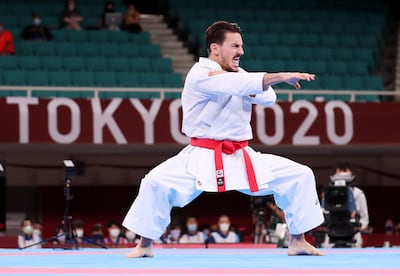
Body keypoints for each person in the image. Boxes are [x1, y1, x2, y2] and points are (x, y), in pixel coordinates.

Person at [122, 20, 324, 258]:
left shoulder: (238, 74)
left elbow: (268, 98)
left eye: (241, 46)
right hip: (201, 155)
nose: (241, 51)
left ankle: (298, 240)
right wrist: (279, 76)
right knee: (155, 182)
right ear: (215, 48)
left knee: (300, 175)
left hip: (241, 155)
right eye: (235, 46)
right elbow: (239, 85)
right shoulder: (199, 74)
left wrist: (247, 83)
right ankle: (144, 245)